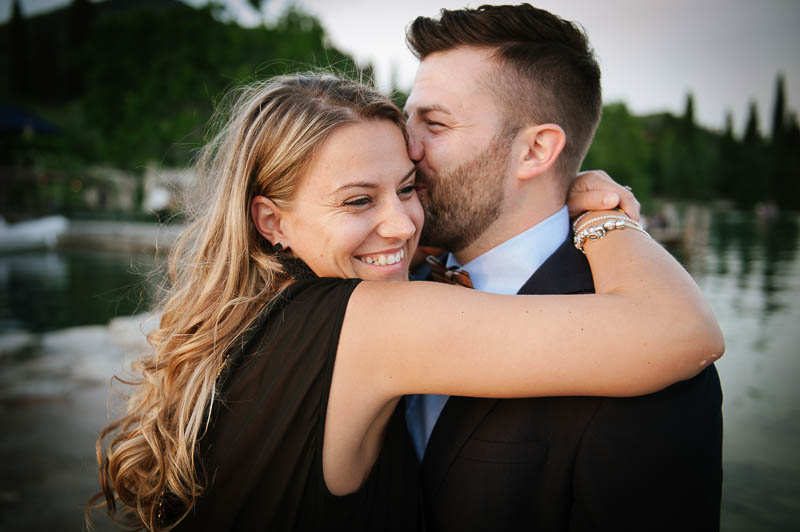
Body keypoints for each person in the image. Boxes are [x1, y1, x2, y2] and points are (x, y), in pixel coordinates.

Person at [90, 73, 722, 532]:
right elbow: (680, 330)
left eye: (409, 187)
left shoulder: (249, 314)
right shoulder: (375, 323)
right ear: (271, 221)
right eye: (358, 201)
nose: (401, 225)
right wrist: (598, 216)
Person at [402, 4, 724, 531]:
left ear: (535, 150)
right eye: (405, 118)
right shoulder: (380, 273)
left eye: (434, 124)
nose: (404, 148)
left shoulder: (652, 363)